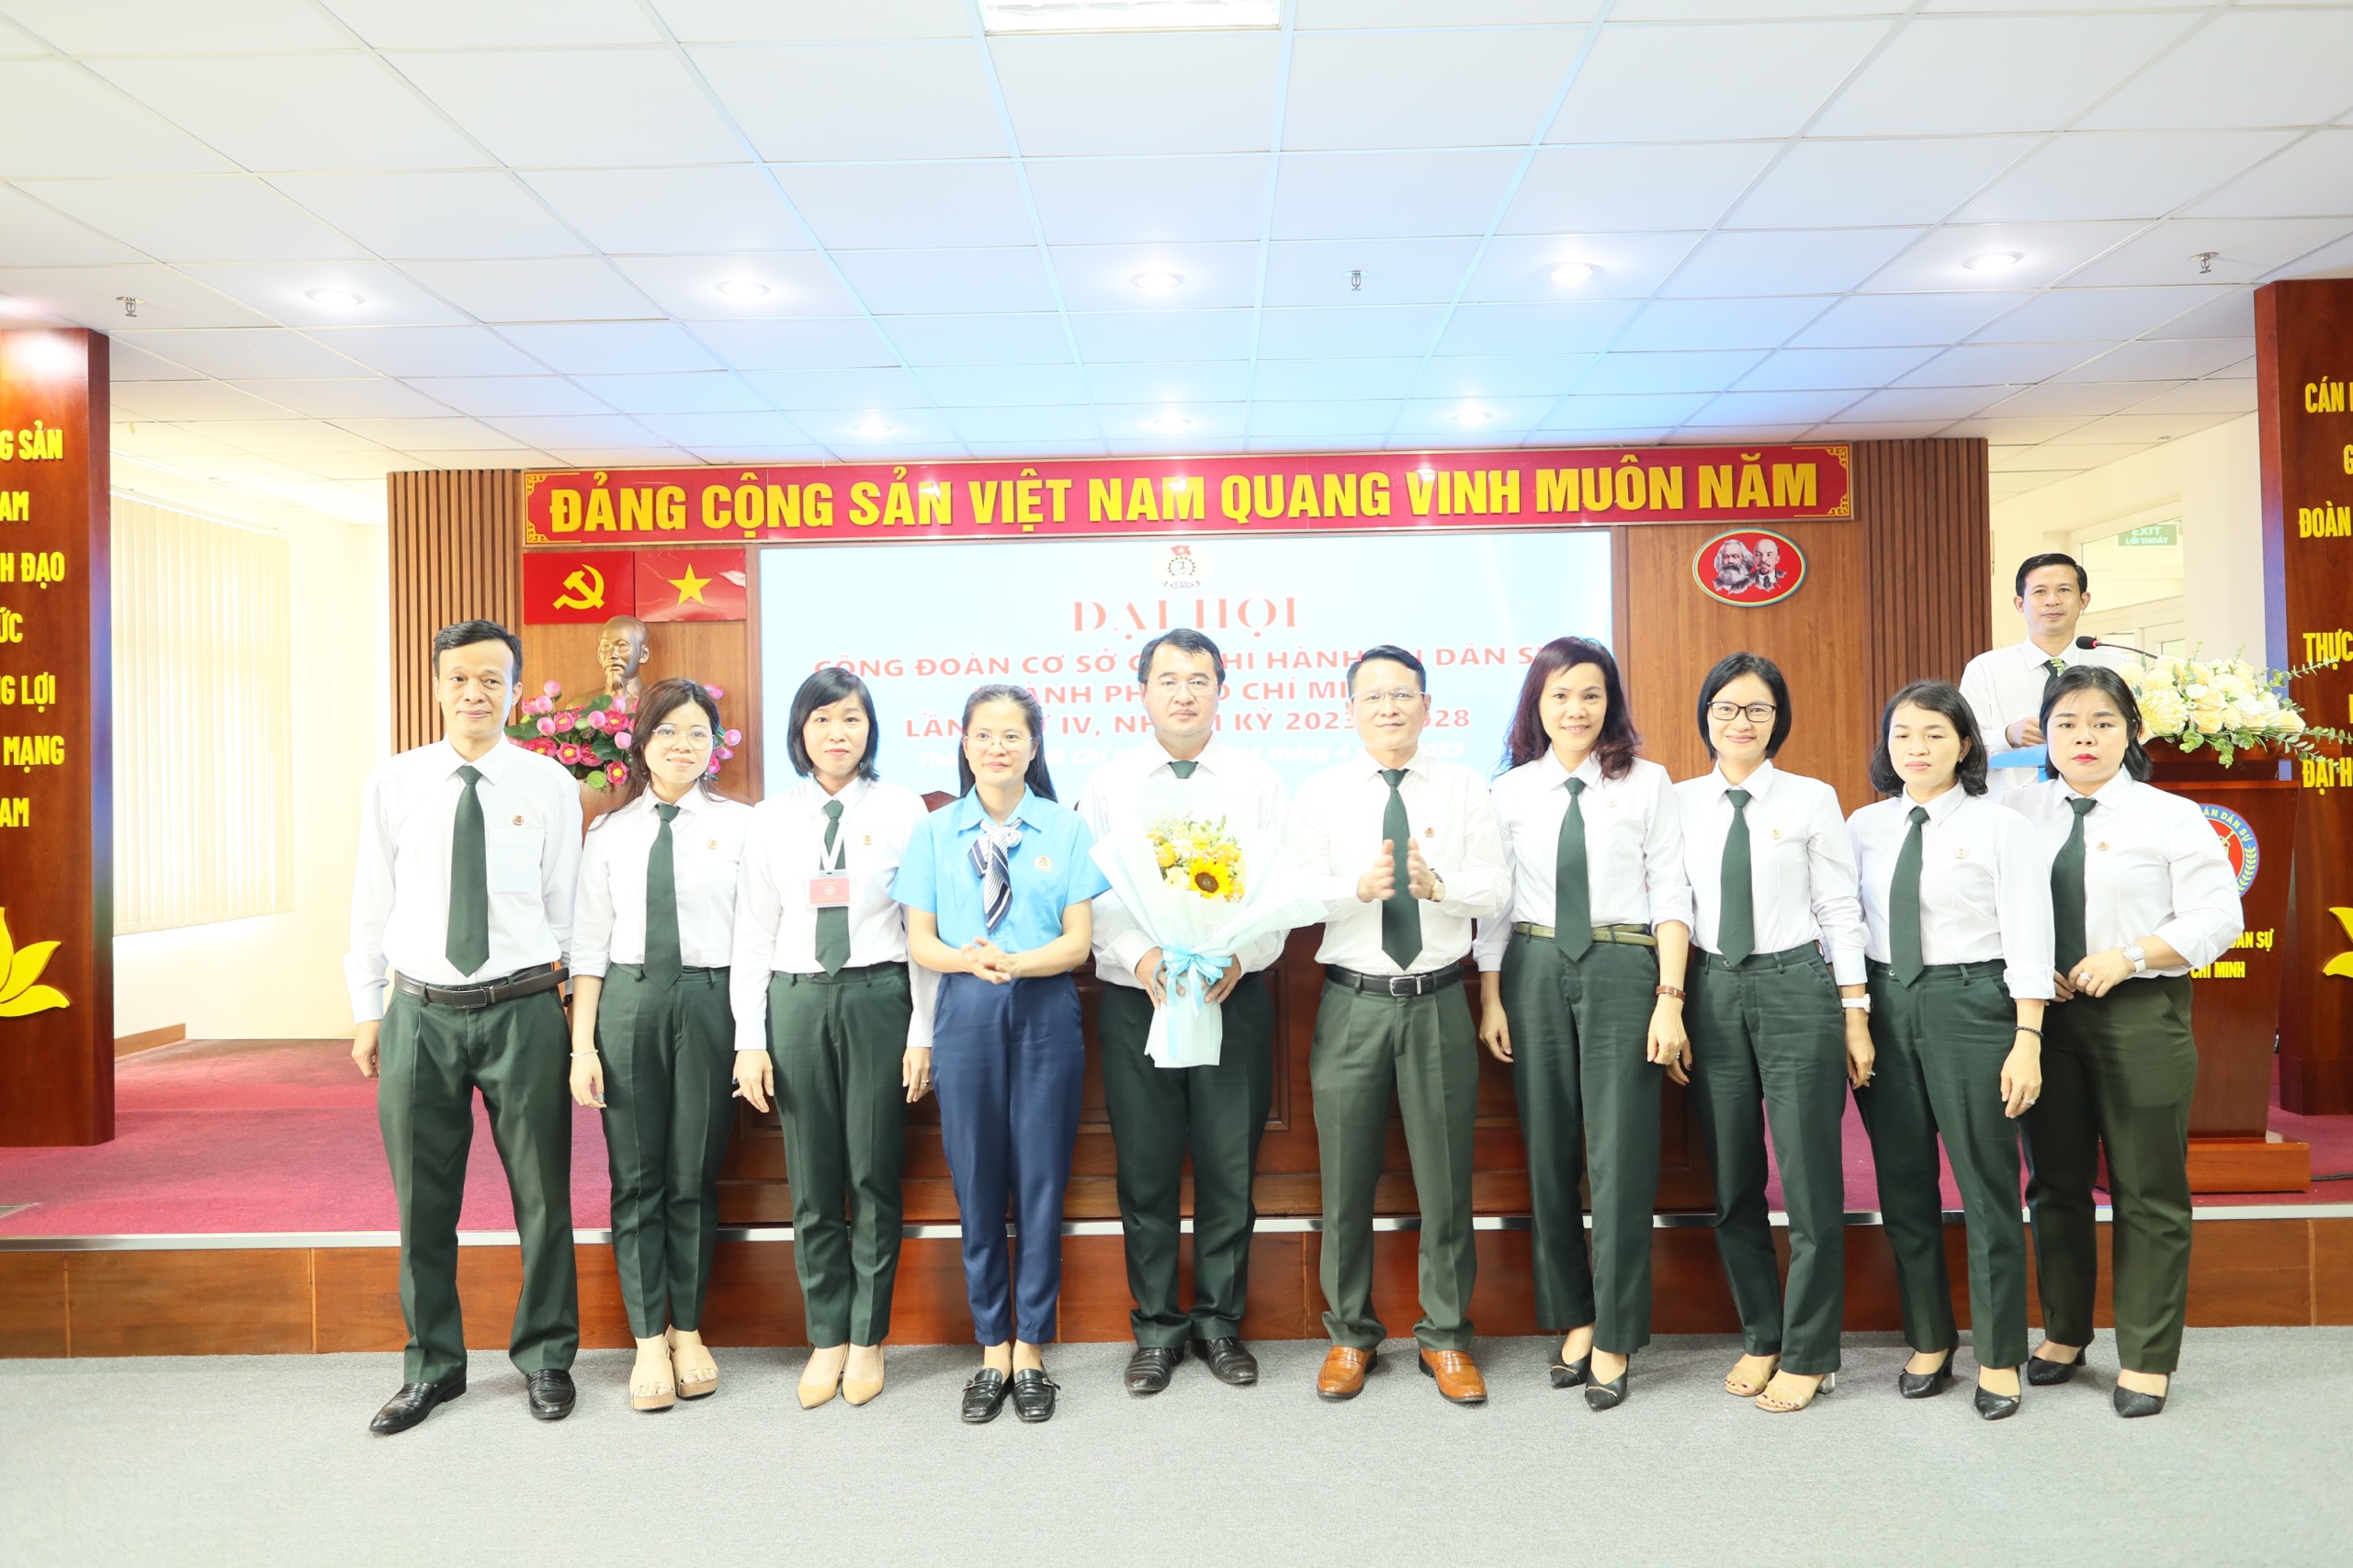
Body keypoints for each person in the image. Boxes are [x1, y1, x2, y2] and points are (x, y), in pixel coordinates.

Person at [345, 619, 583, 1435]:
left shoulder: (549, 784)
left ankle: (547, 1354)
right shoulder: (395, 782)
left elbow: (566, 907)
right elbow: (370, 902)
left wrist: (568, 1016)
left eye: (491, 678)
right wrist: (367, 1009)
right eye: (458, 678)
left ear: (515, 689)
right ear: (437, 686)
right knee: (422, 1201)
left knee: (543, 1195)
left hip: (523, 1007)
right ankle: (432, 1367)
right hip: (419, 1011)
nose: (474, 692)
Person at [2014, 664, 2242, 1418]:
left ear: (2132, 732)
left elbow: (2218, 917)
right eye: (2066, 722)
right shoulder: (2018, 811)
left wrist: (2131, 956)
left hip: (2138, 1014)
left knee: (2147, 1188)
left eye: (2102, 722)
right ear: (2045, 734)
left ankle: (2145, 1354)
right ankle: (2064, 1331)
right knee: (2054, 1182)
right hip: (2044, 1020)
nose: (2083, 736)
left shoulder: (2169, 815)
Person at [1284, 645, 1508, 1407]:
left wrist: (1437, 886)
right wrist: (1355, 887)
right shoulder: (1319, 792)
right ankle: (1350, 1332)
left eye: (1402, 694)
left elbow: (1495, 887)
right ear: (1350, 709)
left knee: (1444, 1179)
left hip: (1438, 997)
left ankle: (1444, 1335)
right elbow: (1293, 893)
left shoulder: (1464, 786)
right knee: (1344, 1179)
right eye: (1373, 696)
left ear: (1427, 705)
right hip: (1352, 1000)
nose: (1389, 707)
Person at [1476, 637, 1691, 1411]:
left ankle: (1617, 1331)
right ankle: (1573, 1313)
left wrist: (1670, 996)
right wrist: (1491, 995)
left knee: (1620, 1156)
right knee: (1548, 1151)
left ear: (1610, 703)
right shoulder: (1508, 791)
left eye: (1591, 694)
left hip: (1623, 966)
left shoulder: (1646, 782)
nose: (1576, 708)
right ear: (1536, 703)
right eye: (1560, 694)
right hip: (1533, 967)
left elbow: (1671, 891)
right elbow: (1496, 902)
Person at [1075, 629, 1290, 1397]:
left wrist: (1241, 953)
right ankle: (1158, 1329)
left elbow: (1278, 887)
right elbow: (1094, 890)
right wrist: (1141, 957)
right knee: (1146, 1169)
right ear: (1142, 692)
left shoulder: (1258, 781)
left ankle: (1220, 1324)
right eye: (1167, 679)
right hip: (1142, 998)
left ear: (1220, 689)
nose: (1183, 693)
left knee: (1230, 1168)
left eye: (1198, 679)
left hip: (1232, 993)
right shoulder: (1109, 782)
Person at [893, 684, 1109, 1426]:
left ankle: (1031, 1348)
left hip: (1045, 1007)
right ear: (963, 743)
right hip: (966, 1010)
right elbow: (920, 942)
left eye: (1012, 735)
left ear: (1033, 745)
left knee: (1042, 1181)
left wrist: (1017, 962)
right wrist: (968, 958)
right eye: (983, 734)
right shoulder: (934, 831)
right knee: (977, 1180)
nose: (997, 747)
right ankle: (991, 1345)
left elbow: (1077, 943)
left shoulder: (1064, 827)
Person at [1847, 681, 2052, 1422]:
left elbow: (2029, 933)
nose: (1916, 747)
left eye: (1933, 733)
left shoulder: (2001, 826)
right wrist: (1854, 1016)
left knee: (1986, 1185)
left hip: (1972, 1003)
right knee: (1903, 1184)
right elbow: (1846, 924)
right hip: (1884, 1003)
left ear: (1963, 743)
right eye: (1901, 733)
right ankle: (1929, 1338)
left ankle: (1997, 1354)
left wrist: (2027, 1037)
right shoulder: (1863, 825)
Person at [731, 669, 934, 1410]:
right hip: (795, 1001)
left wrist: (921, 1030)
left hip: (878, 996)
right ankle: (826, 1336)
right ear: (800, 731)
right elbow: (753, 931)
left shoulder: (903, 809)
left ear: (870, 729)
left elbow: (922, 928)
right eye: (821, 719)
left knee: (873, 1174)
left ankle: (867, 1335)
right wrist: (749, 1037)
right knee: (813, 1180)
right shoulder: (770, 817)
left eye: (851, 718)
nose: (837, 732)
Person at [1676, 652, 1870, 1415]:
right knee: (1731, 1180)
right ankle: (1761, 1334)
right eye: (1725, 707)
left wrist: (1853, 1009)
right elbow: (1669, 903)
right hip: (1709, 988)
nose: (1740, 721)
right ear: (1705, 715)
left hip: (1794, 986)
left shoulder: (1811, 798)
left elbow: (1839, 908)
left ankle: (1811, 1349)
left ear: (1777, 719)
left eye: (1756, 708)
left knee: (1809, 1178)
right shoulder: (1677, 800)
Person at [568, 677, 752, 1412]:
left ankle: (689, 1329)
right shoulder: (610, 833)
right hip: (630, 1001)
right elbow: (587, 947)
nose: (683, 744)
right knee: (637, 1175)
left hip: (710, 1001)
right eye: (669, 730)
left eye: (698, 732)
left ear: (714, 746)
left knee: (694, 1173)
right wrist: (582, 1047)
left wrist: (751, 1032)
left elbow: (756, 936)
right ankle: (648, 1336)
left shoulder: (742, 827)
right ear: (643, 742)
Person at [1958, 553, 2134, 796]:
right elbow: (1960, 744)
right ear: (2020, 604)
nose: (2052, 601)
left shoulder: (2117, 666)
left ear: (2083, 600)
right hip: (2010, 804)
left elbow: (2135, 736)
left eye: (2064, 590)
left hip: (2098, 801)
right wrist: (2007, 735)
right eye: (2040, 592)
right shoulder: (1986, 669)